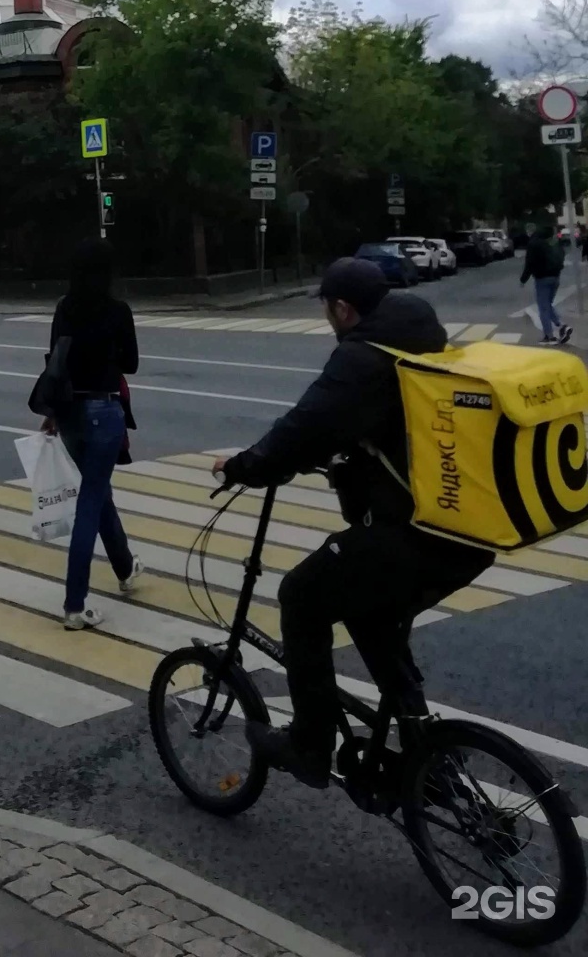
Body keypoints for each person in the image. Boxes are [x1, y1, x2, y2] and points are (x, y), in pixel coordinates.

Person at [213, 257, 494, 789]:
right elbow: (384, 425)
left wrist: (244, 467)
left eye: (326, 309)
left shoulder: (362, 358)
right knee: (371, 617)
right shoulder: (418, 333)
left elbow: (305, 426)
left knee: (300, 596)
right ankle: (427, 750)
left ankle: (309, 746)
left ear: (342, 308)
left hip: (412, 537)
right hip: (469, 533)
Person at [40, 238, 143, 629]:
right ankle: (74, 605)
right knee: (90, 501)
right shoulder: (118, 311)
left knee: (99, 494)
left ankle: (125, 566)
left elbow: (55, 361)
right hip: (103, 410)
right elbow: (130, 364)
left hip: (69, 414)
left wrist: (51, 412)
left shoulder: (65, 308)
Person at [521, 221, 571, 345]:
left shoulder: (534, 243)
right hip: (555, 277)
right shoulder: (552, 241)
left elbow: (529, 263)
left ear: (529, 231)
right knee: (547, 305)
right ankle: (562, 326)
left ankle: (549, 336)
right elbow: (562, 254)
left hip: (542, 278)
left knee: (543, 307)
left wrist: (523, 279)